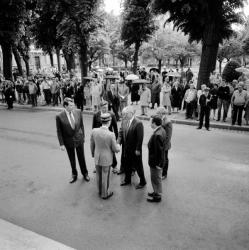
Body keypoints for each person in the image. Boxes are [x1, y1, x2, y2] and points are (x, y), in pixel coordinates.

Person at [56, 98, 90, 184]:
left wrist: (83, 137)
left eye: (73, 104)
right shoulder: (59, 116)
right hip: (68, 141)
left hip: (79, 139)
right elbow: (59, 131)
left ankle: (85, 173)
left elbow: (81, 125)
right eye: (71, 105)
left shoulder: (78, 112)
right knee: (72, 159)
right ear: (65, 106)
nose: (73, 106)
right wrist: (61, 144)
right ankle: (74, 174)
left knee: (81, 157)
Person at [90, 113, 120, 199]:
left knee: (98, 175)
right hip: (106, 158)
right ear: (109, 122)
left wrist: (93, 153)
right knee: (105, 176)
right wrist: (118, 147)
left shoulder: (94, 131)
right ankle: (105, 194)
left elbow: (92, 144)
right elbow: (115, 149)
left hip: (97, 156)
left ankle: (99, 191)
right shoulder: (111, 134)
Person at [117, 106, 146, 189]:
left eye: (125, 114)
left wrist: (137, 149)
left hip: (135, 150)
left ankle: (143, 181)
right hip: (126, 149)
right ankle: (127, 180)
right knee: (127, 165)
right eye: (123, 114)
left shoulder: (138, 123)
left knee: (138, 166)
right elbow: (120, 132)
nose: (124, 116)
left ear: (131, 113)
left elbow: (140, 138)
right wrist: (118, 143)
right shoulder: (124, 121)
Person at [92, 100, 119, 173]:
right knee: (97, 151)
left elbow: (115, 128)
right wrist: (93, 138)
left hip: (108, 137)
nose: (105, 109)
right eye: (104, 108)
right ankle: (97, 166)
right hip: (98, 137)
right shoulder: (96, 115)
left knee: (111, 151)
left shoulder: (112, 115)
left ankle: (114, 166)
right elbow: (93, 127)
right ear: (100, 108)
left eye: (106, 107)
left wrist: (116, 139)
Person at [147, 115, 166, 203]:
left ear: (154, 123)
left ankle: (157, 196)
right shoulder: (161, 130)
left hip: (155, 163)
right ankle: (155, 192)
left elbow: (159, 151)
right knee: (155, 178)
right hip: (156, 162)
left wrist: (159, 164)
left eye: (151, 122)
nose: (150, 123)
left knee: (156, 178)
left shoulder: (157, 135)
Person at [156, 107, 173, 179]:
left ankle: (164, 173)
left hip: (164, 144)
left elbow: (168, 137)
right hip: (160, 143)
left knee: (165, 158)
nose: (157, 114)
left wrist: (162, 146)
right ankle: (161, 170)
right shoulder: (160, 119)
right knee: (161, 158)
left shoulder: (168, 122)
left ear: (162, 113)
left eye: (158, 113)